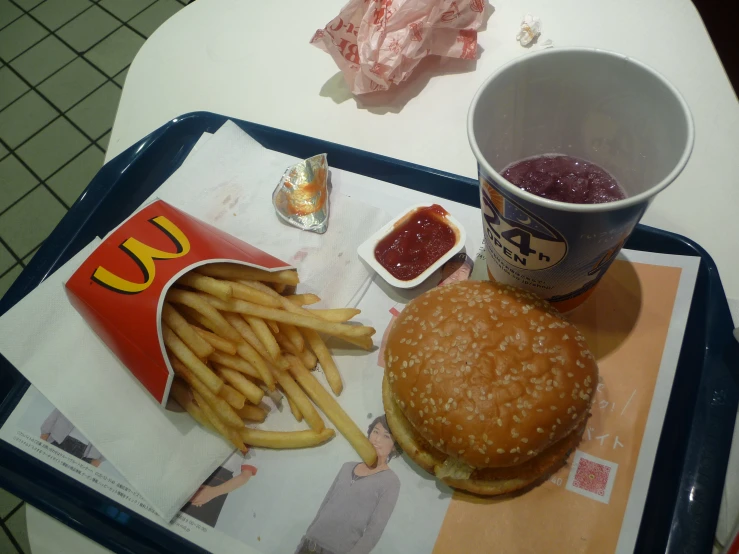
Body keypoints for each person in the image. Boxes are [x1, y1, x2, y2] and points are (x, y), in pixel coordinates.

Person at [296, 415, 401, 554]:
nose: (377, 439)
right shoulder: (347, 467)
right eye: (375, 432)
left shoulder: (391, 481)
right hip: (309, 545)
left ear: (394, 446)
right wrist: (306, 537)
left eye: (386, 436)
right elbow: (325, 505)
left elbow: (374, 532)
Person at [181, 453, 257, 527]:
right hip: (194, 468)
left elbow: (245, 476)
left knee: (195, 527)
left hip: (218, 482)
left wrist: (211, 493)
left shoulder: (258, 443)